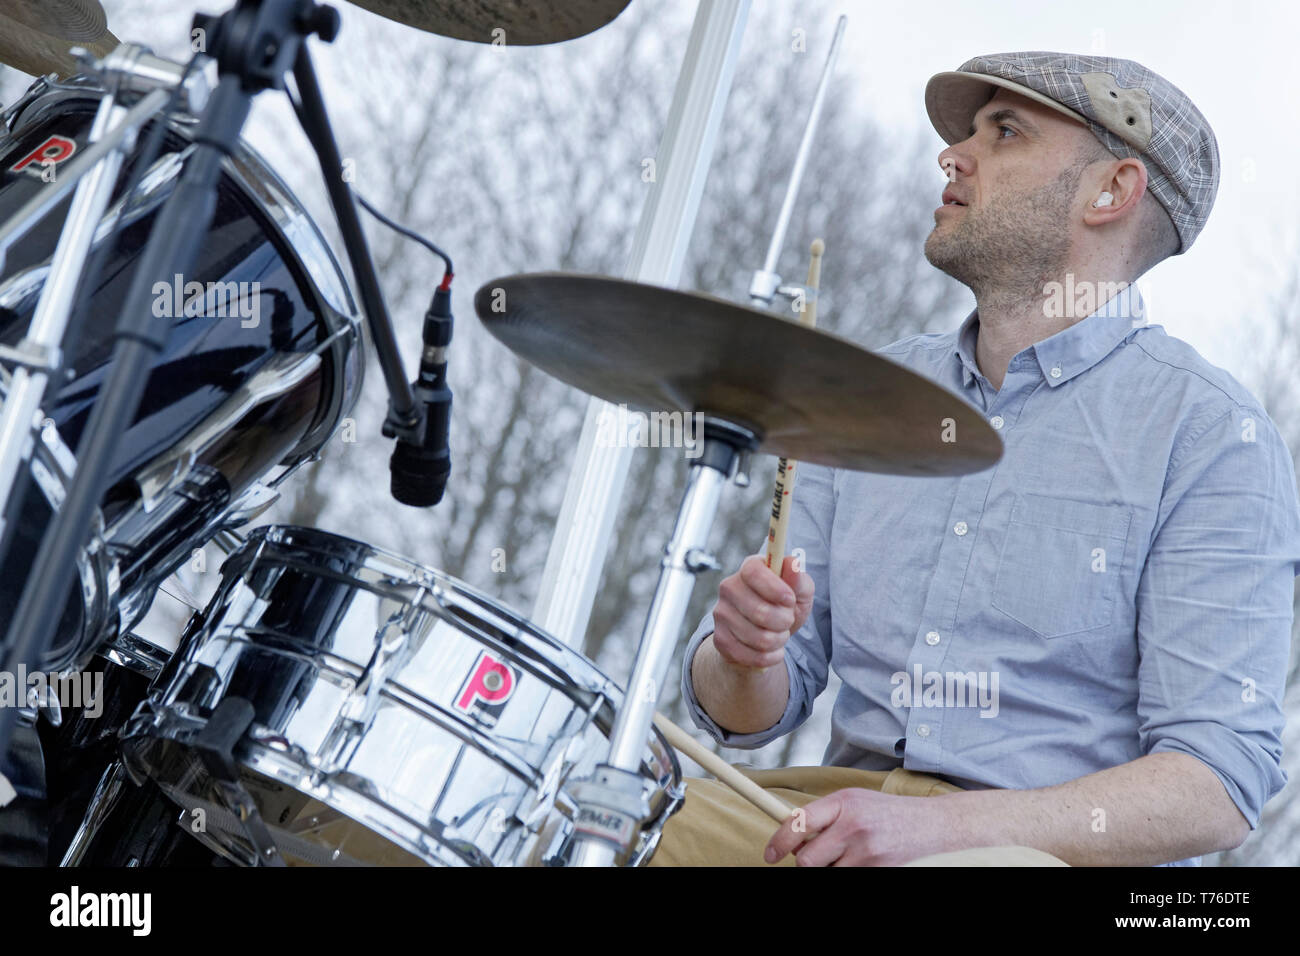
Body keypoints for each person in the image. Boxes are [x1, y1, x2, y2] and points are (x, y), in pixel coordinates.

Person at [648, 52, 1300, 867]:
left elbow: (1215, 782)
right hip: (811, 817)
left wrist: (937, 831)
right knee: (585, 820)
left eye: (1005, 132)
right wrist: (745, 654)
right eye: (967, 132)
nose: (953, 154)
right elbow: (748, 718)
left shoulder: (1211, 436)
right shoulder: (861, 392)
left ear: (1112, 191)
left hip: (1035, 854)